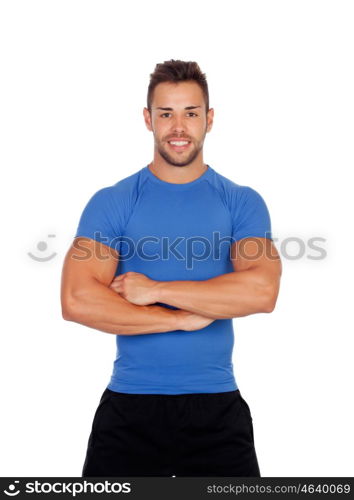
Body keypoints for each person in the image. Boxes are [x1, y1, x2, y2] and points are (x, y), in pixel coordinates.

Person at [61, 59, 282, 477]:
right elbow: (78, 300)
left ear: (209, 119)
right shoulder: (113, 201)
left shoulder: (241, 201)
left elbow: (261, 292)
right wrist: (180, 319)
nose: (178, 127)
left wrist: (155, 290)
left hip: (218, 410)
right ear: (148, 119)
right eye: (166, 114)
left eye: (191, 113)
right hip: (129, 410)